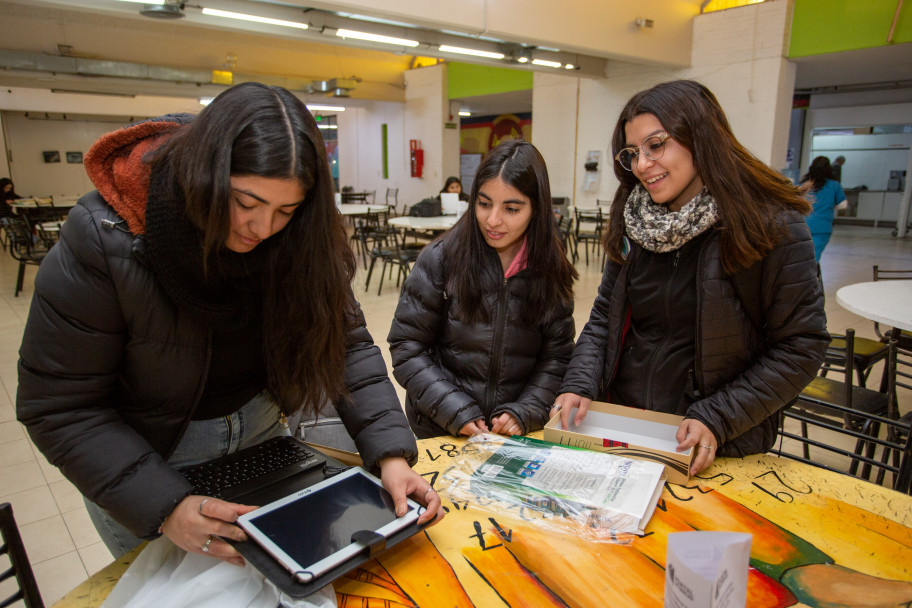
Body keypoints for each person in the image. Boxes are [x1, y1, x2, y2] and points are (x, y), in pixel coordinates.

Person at [16, 82, 442, 568]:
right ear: (206, 175)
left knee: (288, 579)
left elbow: (345, 345)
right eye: (245, 202)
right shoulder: (105, 237)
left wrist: (389, 454)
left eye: (286, 210)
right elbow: (57, 405)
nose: (261, 229)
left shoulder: (299, 240)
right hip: (145, 456)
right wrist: (164, 505)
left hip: (263, 439)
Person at [554, 80, 828, 476]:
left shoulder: (771, 224)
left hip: (713, 441)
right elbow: (604, 317)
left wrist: (717, 416)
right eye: (633, 153)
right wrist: (578, 382)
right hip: (626, 425)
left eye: (656, 145)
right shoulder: (634, 218)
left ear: (700, 137)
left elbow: (801, 345)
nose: (642, 165)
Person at [388, 141, 577, 439]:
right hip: (442, 430)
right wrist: (454, 410)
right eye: (484, 203)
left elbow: (557, 359)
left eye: (511, 208)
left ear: (536, 209)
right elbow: (407, 347)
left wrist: (526, 410)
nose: (493, 220)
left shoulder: (549, 269)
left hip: (512, 435)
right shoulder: (441, 258)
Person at [801, 155, 847, 262]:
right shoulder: (834, 185)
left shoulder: (804, 184)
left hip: (803, 225)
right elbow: (843, 205)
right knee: (814, 257)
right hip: (822, 227)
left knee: (800, 256)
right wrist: (830, 204)